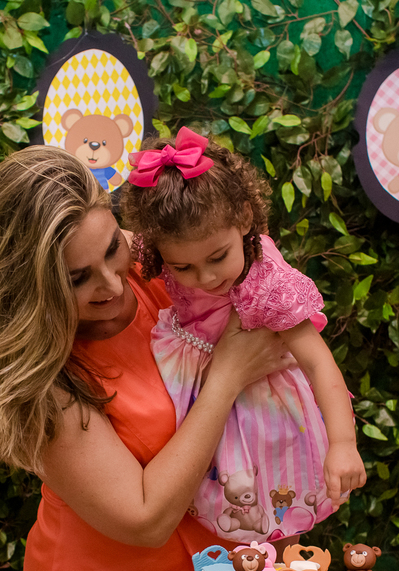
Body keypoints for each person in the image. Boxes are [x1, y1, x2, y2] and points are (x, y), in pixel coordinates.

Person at [0, 146, 293, 571]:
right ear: (25, 289)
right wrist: (226, 377)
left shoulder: (160, 264)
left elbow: (247, 255)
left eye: (112, 248)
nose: (111, 283)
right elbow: (144, 519)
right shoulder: (39, 382)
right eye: (76, 279)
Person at [120, 126, 366, 547]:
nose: (206, 277)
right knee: (220, 510)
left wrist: (343, 444)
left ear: (245, 219)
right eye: (183, 268)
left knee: (277, 510)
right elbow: (120, 244)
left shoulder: (267, 283)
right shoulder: (168, 248)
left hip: (266, 411)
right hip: (202, 394)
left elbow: (318, 361)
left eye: (218, 257)